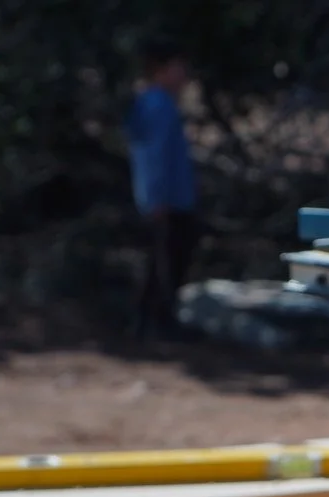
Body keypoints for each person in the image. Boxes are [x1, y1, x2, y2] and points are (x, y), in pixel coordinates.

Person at [127, 40, 200, 339]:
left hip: (170, 200)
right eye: (177, 68)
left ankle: (152, 322)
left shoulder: (156, 103)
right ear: (160, 71)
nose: (183, 75)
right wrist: (155, 198)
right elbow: (153, 157)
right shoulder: (157, 106)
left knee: (164, 262)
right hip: (167, 203)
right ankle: (155, 323)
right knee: (165, 263)